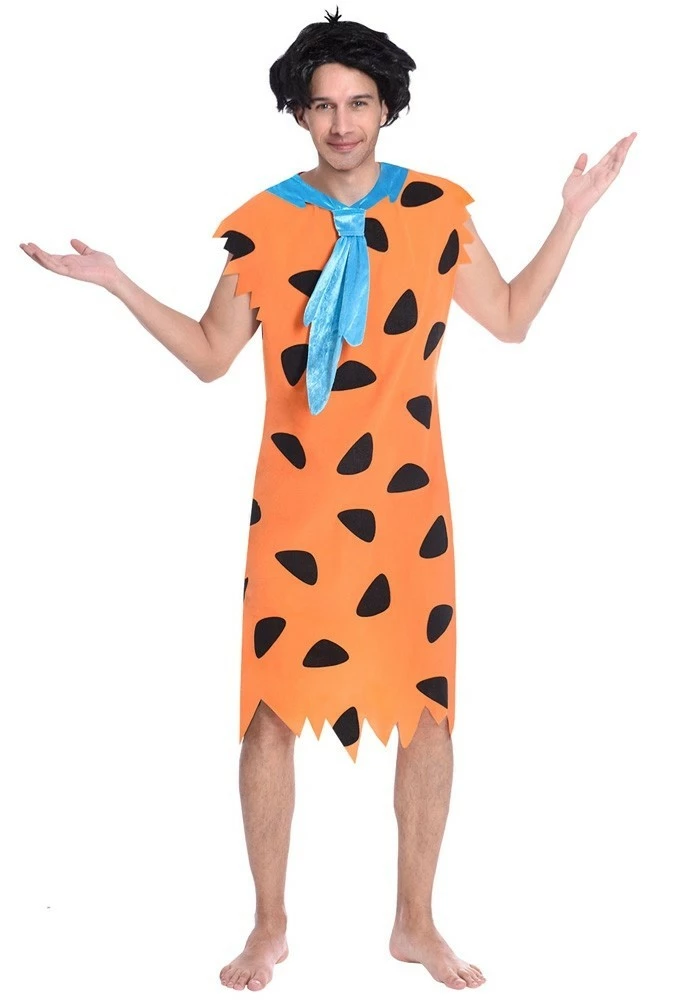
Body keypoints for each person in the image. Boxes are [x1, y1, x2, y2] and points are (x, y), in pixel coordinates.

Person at [19, 6, 636, 993]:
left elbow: (512, 317)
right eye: (322, 105)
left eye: (358, 103)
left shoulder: (436, 211)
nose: (341, 122)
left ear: (387, 108)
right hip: (296, 507)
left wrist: (572, 215)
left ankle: (415, 923)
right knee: (268, 711)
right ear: (300, 114)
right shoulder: (262, 224)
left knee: (427, 712)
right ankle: (268, 926)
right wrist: (118, 283)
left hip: (407, 508)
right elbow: (213, 356)